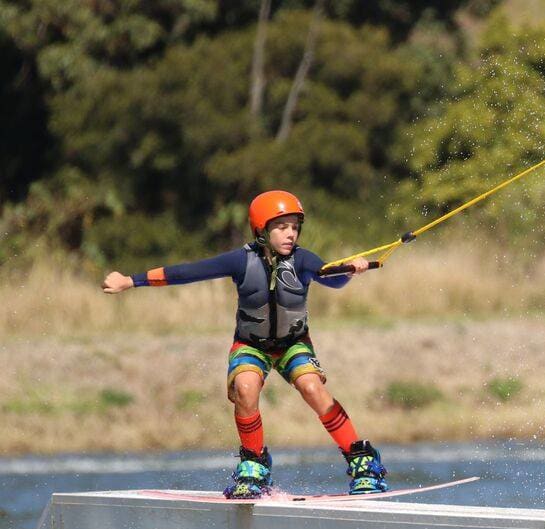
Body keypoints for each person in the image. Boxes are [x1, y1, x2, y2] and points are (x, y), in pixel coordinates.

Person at [102, 190, 389, 498]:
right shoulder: (241, 261)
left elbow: (329, 277)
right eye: (281, 227)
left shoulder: (304, 260)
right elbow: (187, 272)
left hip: (292, 344)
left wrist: (350, 270)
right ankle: (253, 464)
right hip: (251, 345)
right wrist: (131, 280)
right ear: (261, 230)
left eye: (294, 226)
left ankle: (363, 461)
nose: (290, 233)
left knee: (311, 388)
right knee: (245, 388)